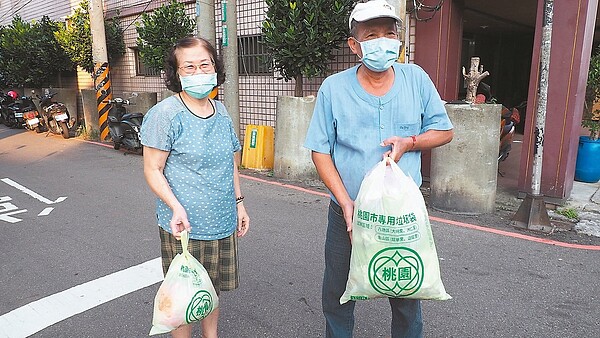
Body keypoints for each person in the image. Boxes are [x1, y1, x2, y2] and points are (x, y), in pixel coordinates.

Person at [303, 1, 454, 337]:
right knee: (338, 293)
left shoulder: (415, 78)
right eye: (372, 34)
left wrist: (410, 142)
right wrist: (345, 203)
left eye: (390, 33)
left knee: (406, 291)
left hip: (401, 211)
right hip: (348, 208)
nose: (383, 41)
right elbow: (320, 150)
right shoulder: (334, 88)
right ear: (354, 45)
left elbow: (444, 130)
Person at [141, 36, 249, 338]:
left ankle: (211, 336)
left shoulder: (221, 110)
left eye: (205, 64)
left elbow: (230, 161)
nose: (199, 71)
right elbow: (152, 169)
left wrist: (239, 202)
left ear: (216, 68)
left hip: (222, 220)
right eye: (189, 67)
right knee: (185, 293)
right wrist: (175, 206)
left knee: (211, 288)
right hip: (184, 225)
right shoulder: (166, 115)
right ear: (176, 74)